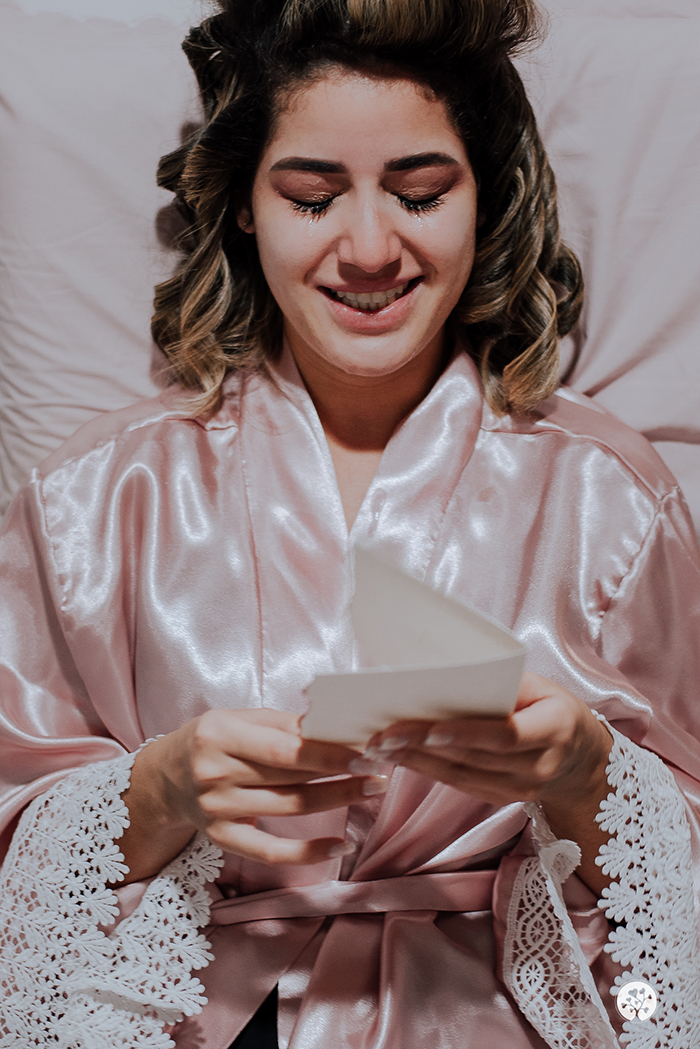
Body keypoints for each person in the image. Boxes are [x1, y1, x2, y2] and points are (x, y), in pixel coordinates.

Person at [1, 0, 700, 1047]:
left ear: (483, 197)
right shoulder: (98, 499)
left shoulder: (610, 496)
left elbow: (680, 887)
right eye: (312, 197)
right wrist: (159, 790)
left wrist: (587, 778)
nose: (369, 248)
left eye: (419, 193)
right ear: (246, 207)